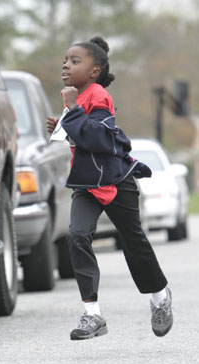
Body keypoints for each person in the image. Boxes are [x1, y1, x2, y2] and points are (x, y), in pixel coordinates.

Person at [46, 36, 173, 341]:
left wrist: (73, 109)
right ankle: (93, 315)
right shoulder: (75, 97)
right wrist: (61, 128)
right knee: (77, 236)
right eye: (66, 59)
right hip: (87, 185)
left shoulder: (97, 95)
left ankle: (159, 297)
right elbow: (81, 138)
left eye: (75, 61)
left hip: (116, 182)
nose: (66, 64)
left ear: (95, 71)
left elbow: (101, 140)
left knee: (133, 241)